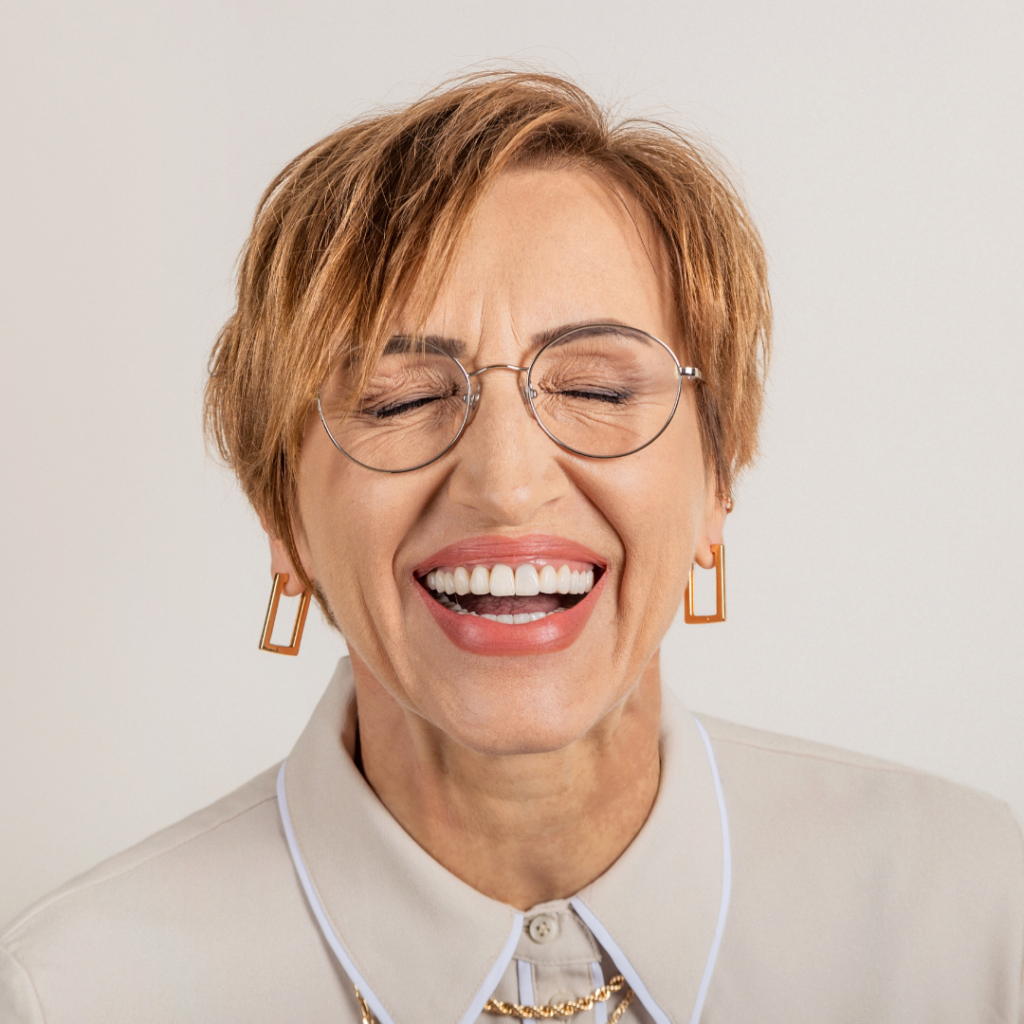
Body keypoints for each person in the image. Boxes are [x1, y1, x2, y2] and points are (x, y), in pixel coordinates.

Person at [2, 70, 1021, 1024]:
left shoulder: (982, 924)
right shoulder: (73, 993)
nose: (505, 480)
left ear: (718, 482)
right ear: (282, 519)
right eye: (398, 399)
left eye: (596, 388)